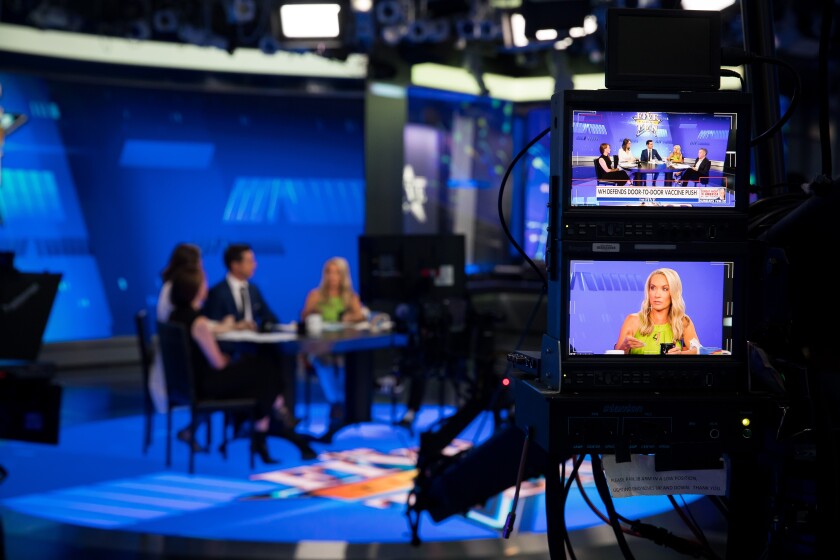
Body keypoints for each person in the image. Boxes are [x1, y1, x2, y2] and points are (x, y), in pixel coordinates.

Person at [169, 265, 316, 463]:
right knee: (267, 371)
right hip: (207, 385)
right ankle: (273, 422)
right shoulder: (199, 324)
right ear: (194, 288)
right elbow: (218, 363)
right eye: (203, 281)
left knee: (262, 373)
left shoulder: (175, 317)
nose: (206, 285)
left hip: (189, 383)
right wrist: (227, 359)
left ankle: (266, 428)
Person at [300, 257, 368, 441]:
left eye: (336, 272)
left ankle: (340, 406)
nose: (332, 276)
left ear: (343, 275)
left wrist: (350, 318)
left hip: (343, 347)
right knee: (324, 360)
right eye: (328, 271)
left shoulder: (350, 298)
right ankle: (337, 403)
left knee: (349, 362)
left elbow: (360, 317)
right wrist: (312, 314)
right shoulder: (315, 295)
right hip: (321, 347)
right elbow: (303, 317)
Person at [614, 267, 701, 355]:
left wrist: (680, 355)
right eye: (653, 288)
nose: (657, 295)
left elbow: (697, 349)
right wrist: (624, 347)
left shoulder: (682, 321)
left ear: (673, 292)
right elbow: (614, 360)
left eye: (665, 289)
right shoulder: (633, 320)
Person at [202, 243, 279, 333]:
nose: (254, 265)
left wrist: (260, 325)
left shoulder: (253, 290)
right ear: (235, 265)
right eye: (250, 261)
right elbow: (212, 324)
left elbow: (270, 318)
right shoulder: (217, 292)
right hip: (229, 344)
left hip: (255, 343)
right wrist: (234, 326)